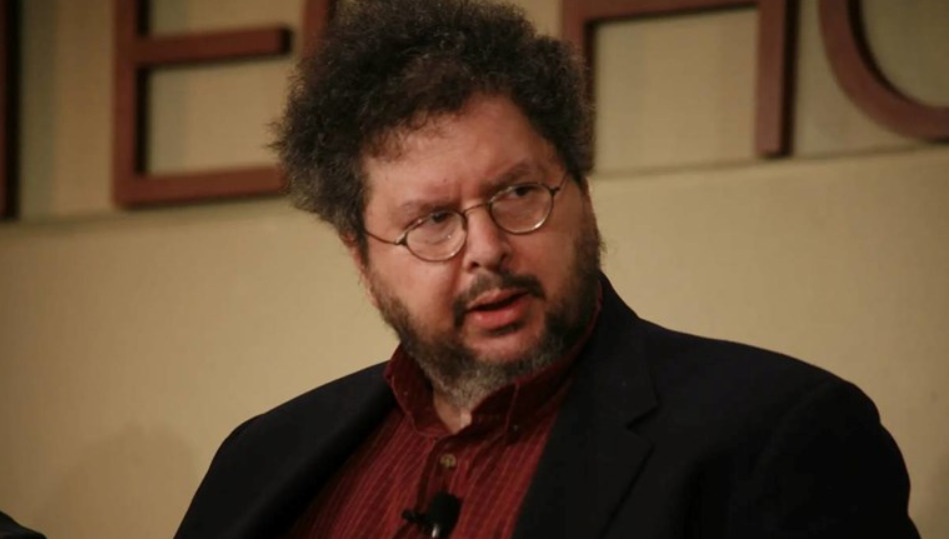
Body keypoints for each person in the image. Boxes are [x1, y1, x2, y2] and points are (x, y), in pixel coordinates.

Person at [175, 0, 919, 537]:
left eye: (517, 193)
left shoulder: (779, 435)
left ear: (582, 194)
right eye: (432, 220)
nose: (487, 247)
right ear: (360, 257)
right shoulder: (260, 457)